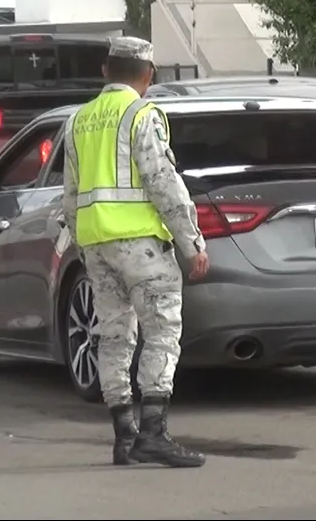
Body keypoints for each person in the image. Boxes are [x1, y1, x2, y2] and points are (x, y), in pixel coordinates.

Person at [61, 36, 210, 469]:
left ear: (105, 72)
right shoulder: (141, 115)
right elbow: (163, 181)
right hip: (142, 246)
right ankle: (154, 434)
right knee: (162, 332)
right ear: (148, 77)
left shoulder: (77, 122)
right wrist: (192, 242)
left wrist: (83, 241)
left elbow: (71, 196)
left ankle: (124, 435)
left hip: (95, 246)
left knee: (113, 336)